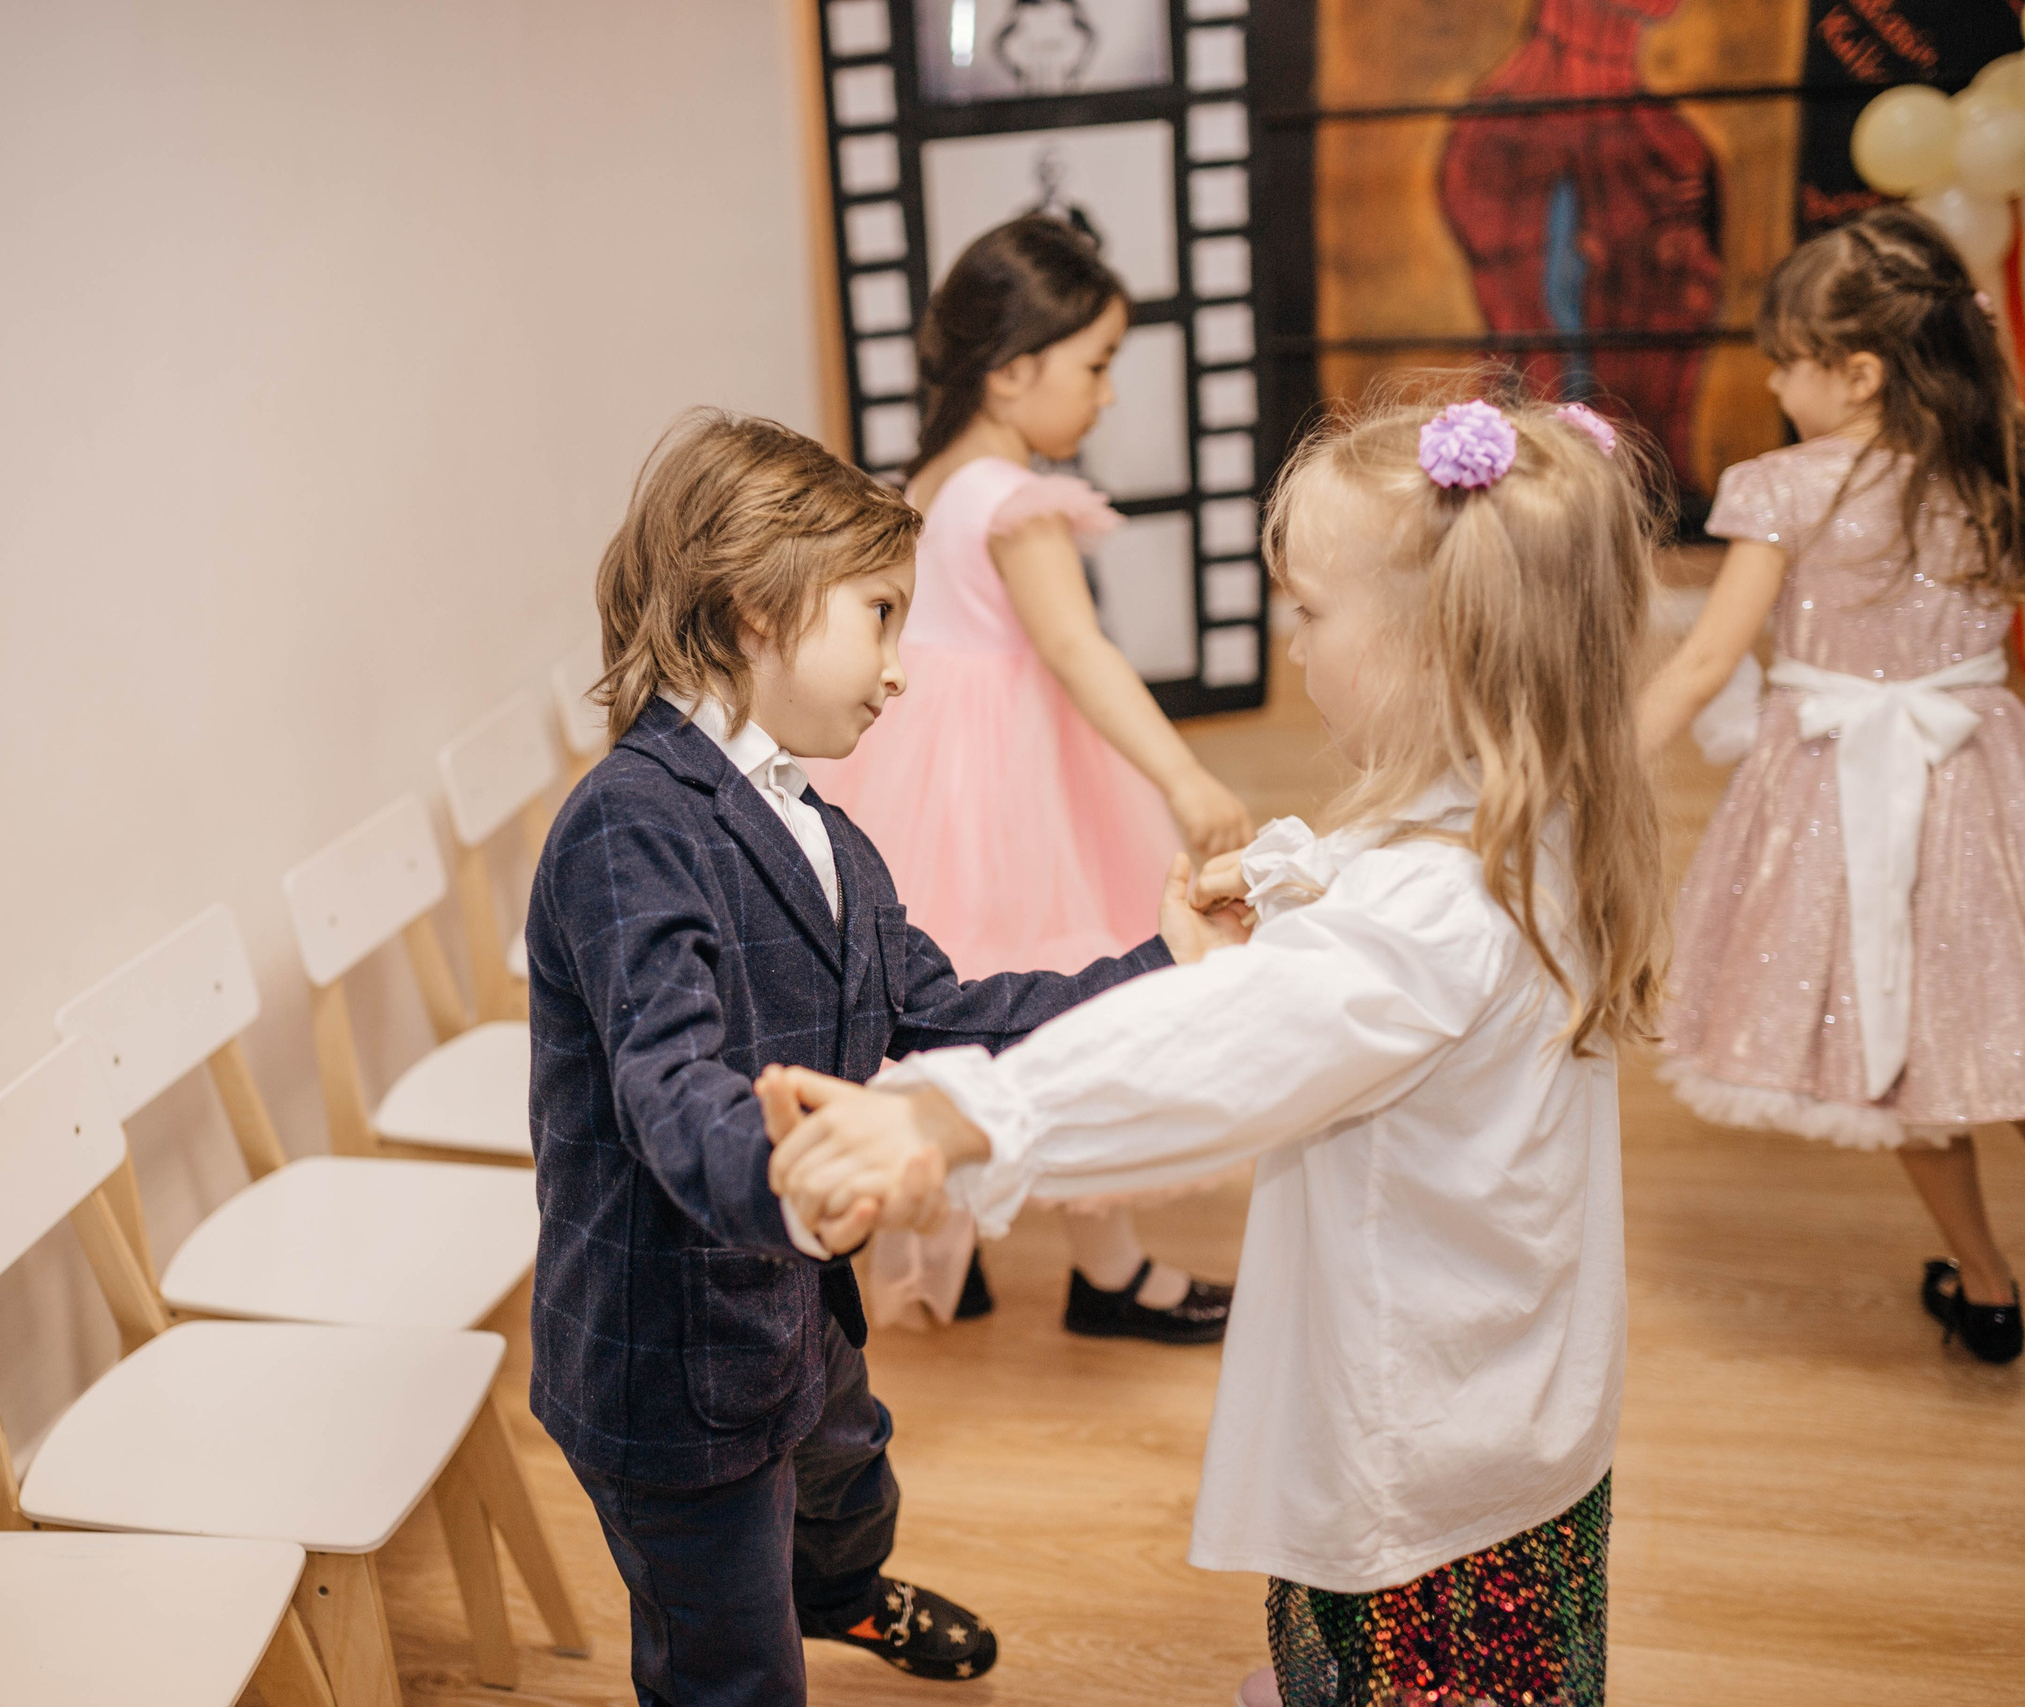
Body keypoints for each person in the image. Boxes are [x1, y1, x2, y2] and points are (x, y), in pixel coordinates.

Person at [764, 390, 1664, 1707]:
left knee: (1424, 1660)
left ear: (1437, 644)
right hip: (1512, 1399)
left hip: (1429, 1443)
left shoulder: (1429, 921)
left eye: (1309, 612)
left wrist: (966, 1118)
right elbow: (1389, 888)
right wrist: (1297, 873)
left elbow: (1208, 1050)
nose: (1292, 646)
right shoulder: (1530, 817)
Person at [523, 410, 1185, 1707]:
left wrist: (1167, 962)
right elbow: (674, 1089)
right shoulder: (627, 825)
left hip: (794, 1305)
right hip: (674, 1359)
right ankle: (774, 1635)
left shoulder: (828, 833)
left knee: (846, 1471)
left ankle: (838, 1590)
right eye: (881, 615)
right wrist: (801, 1176)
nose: (902, 668)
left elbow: (954, 1003)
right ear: (756, 605)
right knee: (732, 1661)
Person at [806, 214, 1252, 1343]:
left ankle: (958, 1258)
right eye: (1096, 365)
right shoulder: (1011, 497)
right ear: (1012, 371)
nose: (1105, 396)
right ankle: (1111, 1272)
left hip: (920, 779)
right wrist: (1183, 775)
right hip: (1016, 794)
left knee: (958, 1001)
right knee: (1074, 992)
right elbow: (1077, 651)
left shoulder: (925, 480)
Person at [1635, 206, 2025, 1365]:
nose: (1772, 378)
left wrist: (1594, 768)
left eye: (1787, 358)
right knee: (1997, 1019)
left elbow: (1709, 656)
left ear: (1854, 373)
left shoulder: (1780, 487)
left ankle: (1991, 1284)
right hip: (1984, 784)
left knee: (1905, 1042)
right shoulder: (1993, 459)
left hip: (1841, 800)